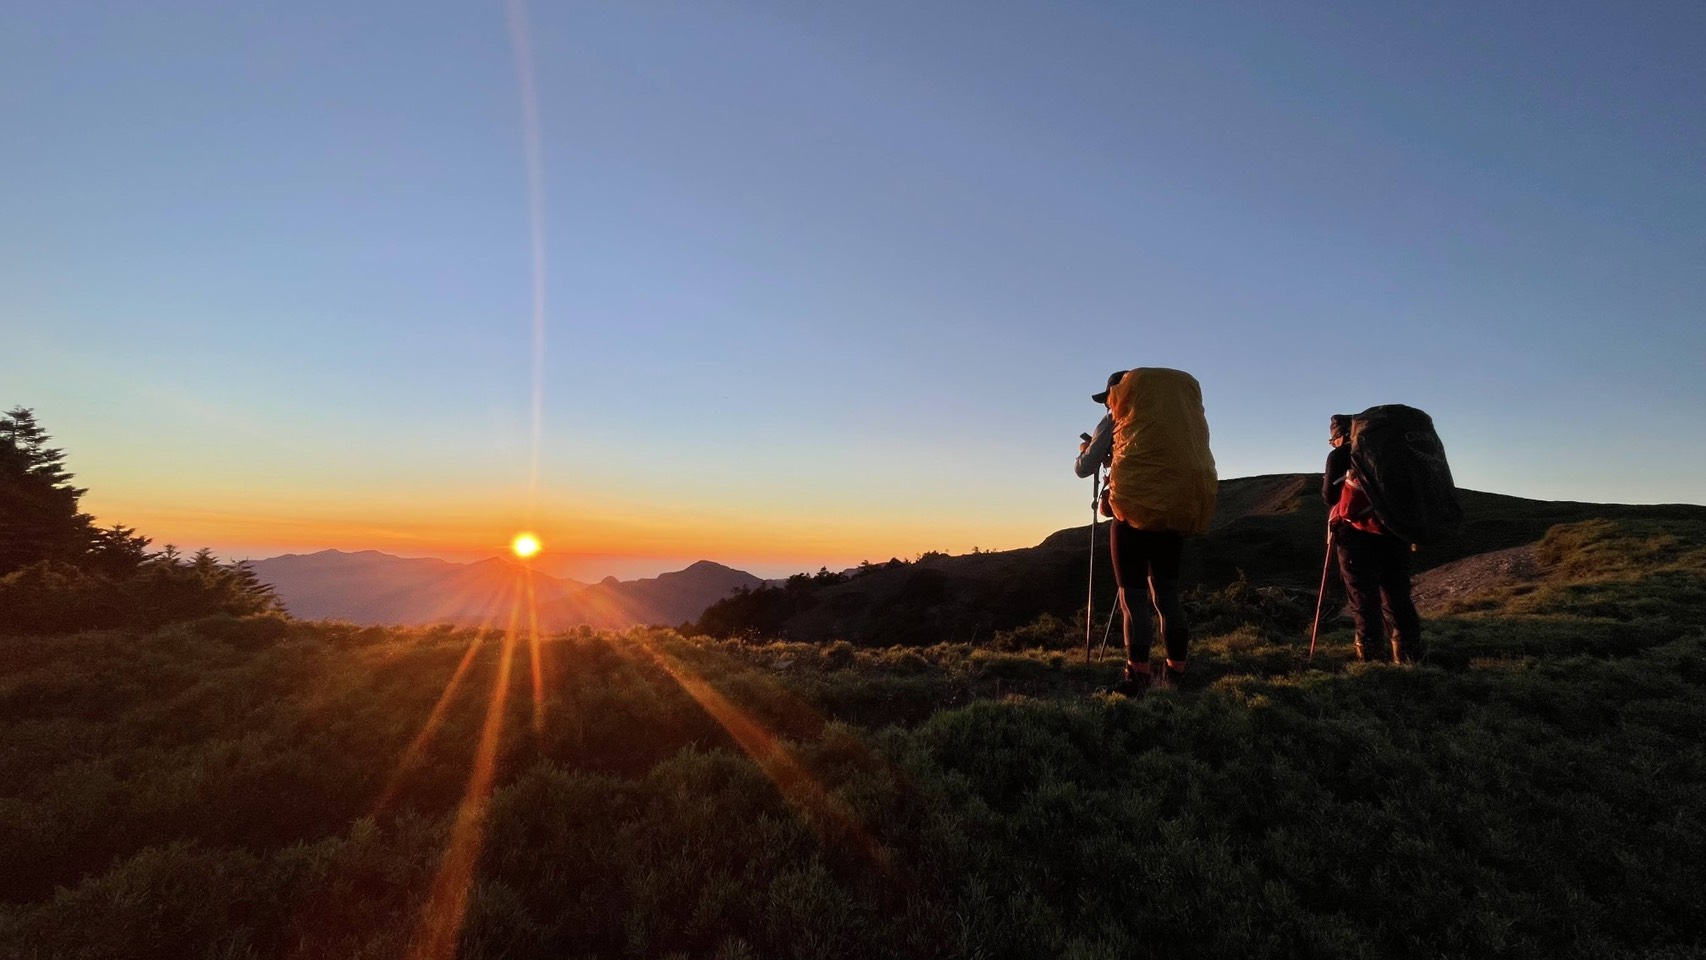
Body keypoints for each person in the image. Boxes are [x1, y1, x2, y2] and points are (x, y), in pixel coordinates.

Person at [1076, 369, 1216, 694]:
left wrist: (1085, 451)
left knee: (1133, 597)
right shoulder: (1172, 422)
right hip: (1171, 515)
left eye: (1108, 398)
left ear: (1118, 394)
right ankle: (1176, 671)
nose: (1107, 404)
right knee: (1167, 595)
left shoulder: (1115, 419)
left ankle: (1137, 675)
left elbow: (1084, 469)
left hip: (1130, 519)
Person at [1323, 414, 1424, 663]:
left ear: (1341, 436)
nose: (1333, 444)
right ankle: (1409, 657)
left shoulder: (1340, 455)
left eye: (1332, 440)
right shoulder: (1393, 452)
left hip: (1355, 534)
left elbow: (1329, 496)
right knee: (1397, 594)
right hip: (1394, 530)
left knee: (1363, 597)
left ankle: (1372, 659)